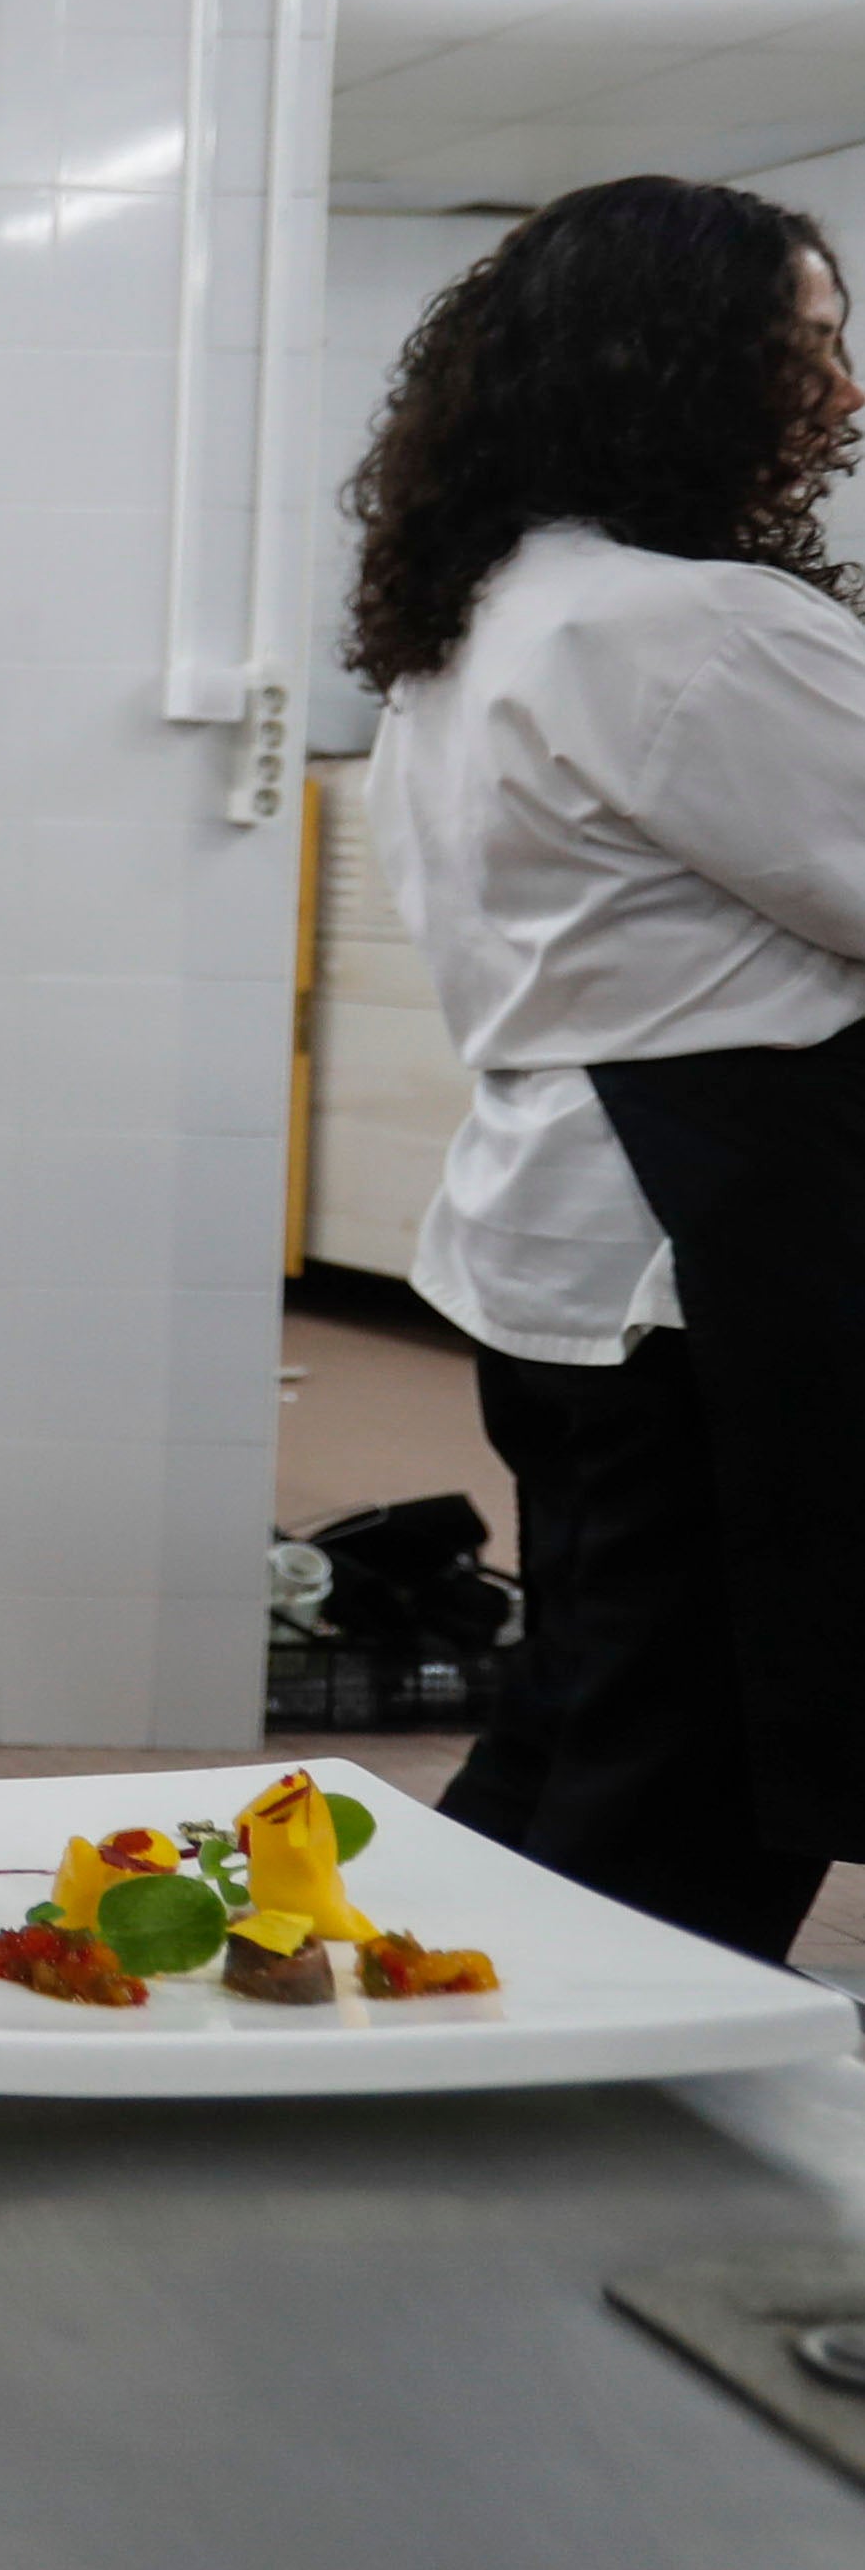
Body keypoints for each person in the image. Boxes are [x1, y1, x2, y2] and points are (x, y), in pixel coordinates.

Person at [353, 173, 865, 1961]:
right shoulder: (684, 626)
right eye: (808, 347)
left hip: (562, 1243)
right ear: (682, 369)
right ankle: (583, 2134)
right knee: (697, 1754)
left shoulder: (479, 618)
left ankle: (455, 2032)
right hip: (702, 1255)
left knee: (586, 1695)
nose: (844, 393)